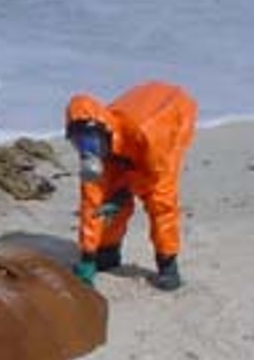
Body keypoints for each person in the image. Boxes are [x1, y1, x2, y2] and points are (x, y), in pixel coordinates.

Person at [64, 81, 197, 291]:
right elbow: (91, 204)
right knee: (106, 200)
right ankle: (107, 251)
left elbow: (153, 176)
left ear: (103, 130)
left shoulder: (147, 134)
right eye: (79, 142)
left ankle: (168, 264)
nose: (86, 148)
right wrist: (88, 255)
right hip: (124, 137)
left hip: (170, 117)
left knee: (160, 201)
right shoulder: (97, 149)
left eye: (90, 141)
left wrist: (123, 192)